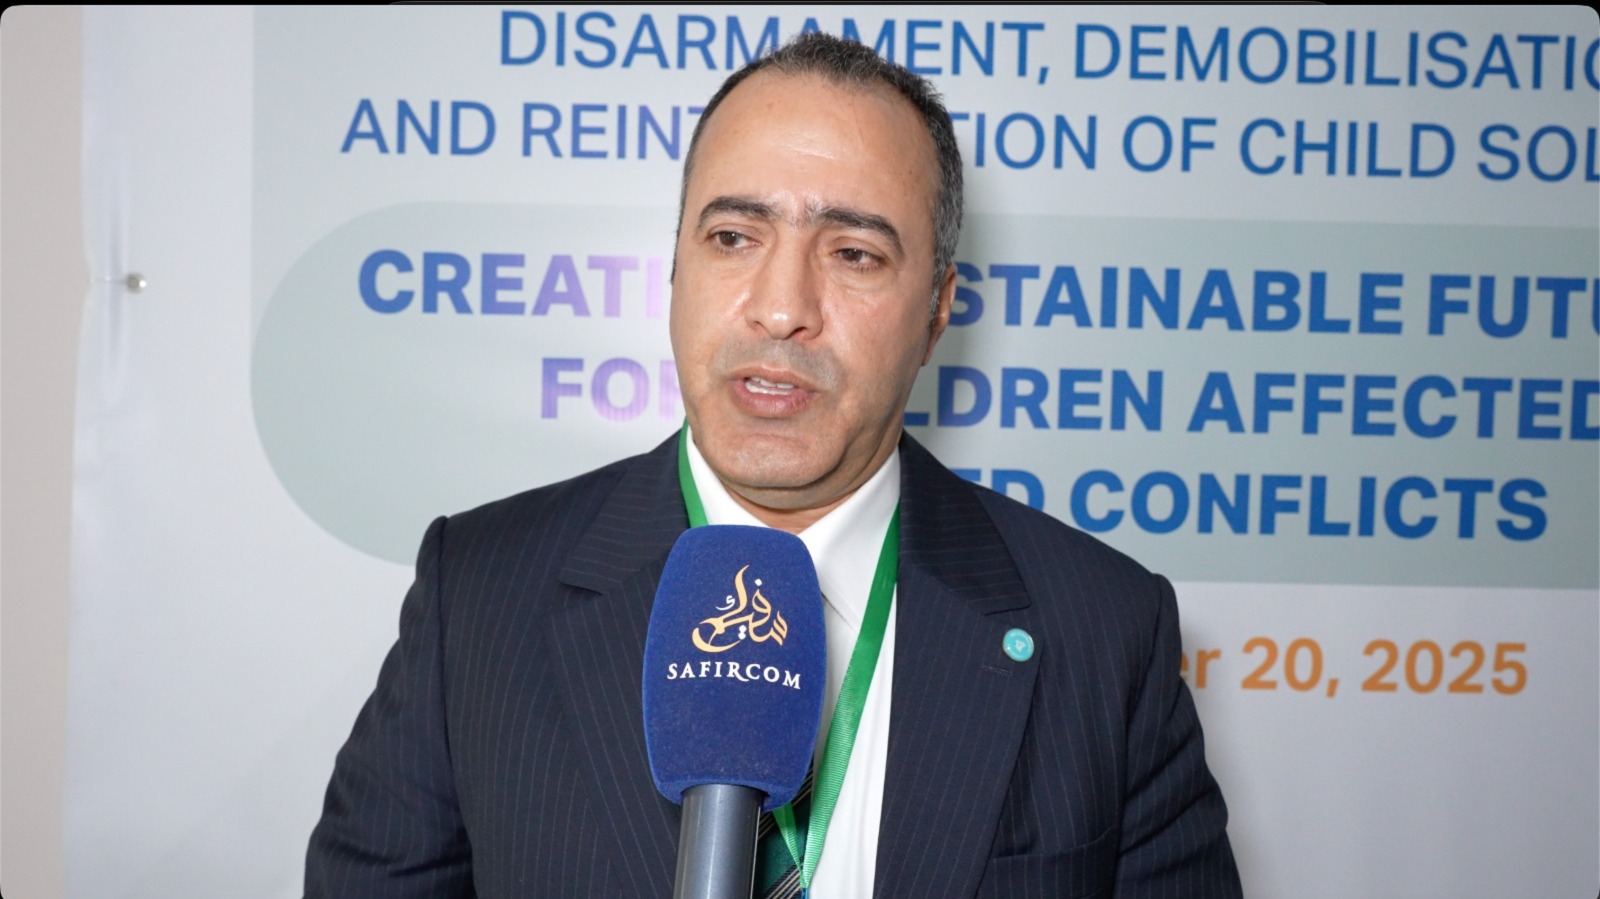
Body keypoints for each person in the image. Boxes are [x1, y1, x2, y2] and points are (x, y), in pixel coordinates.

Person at [306, 31, 1241, 899]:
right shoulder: (478, 594)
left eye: (855, 253)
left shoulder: (1104, 631)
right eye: (733, 237)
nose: (782, 306)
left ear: (937, 310)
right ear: (675, 269)